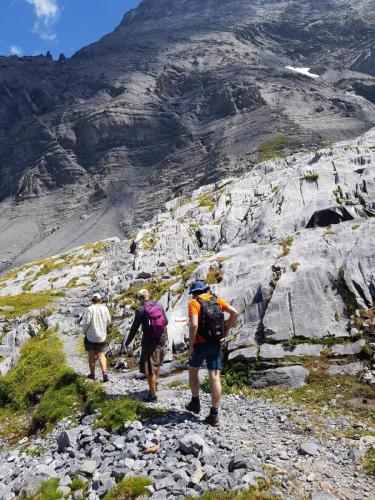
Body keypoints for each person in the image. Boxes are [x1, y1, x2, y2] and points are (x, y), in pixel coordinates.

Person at [185, 280, 238, 426]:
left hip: (199, 345)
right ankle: (214, 414)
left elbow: (194, 324)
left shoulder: (193, 302)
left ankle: (195, 402)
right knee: (215, 377)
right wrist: (226, 330)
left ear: (194, 292)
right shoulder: (217, 299)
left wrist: (190, 346)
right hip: (215, 344)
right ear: (205, 289)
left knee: (193, 371)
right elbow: (235, 313)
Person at [124, 289, 168, 402]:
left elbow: (134, 328)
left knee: (149, 368)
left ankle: (153, 395)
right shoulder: (159, 305)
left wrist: (127, 343)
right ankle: (154, 387)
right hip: (161, 339)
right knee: (156, 364)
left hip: (149, 341)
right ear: (148, 295)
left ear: (139, 299)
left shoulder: (140, 309)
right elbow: (166, 321)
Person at [81, 293, 112, 382]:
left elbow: (86, 322)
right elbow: (109, 320)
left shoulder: (89, 309)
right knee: (101, 354)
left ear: (92, 300)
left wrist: (84, 331)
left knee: (91, 354)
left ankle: (92, 374)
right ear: (100, 300)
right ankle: (104, 373)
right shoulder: (105, 308)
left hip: (91, 336)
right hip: (102, 336)